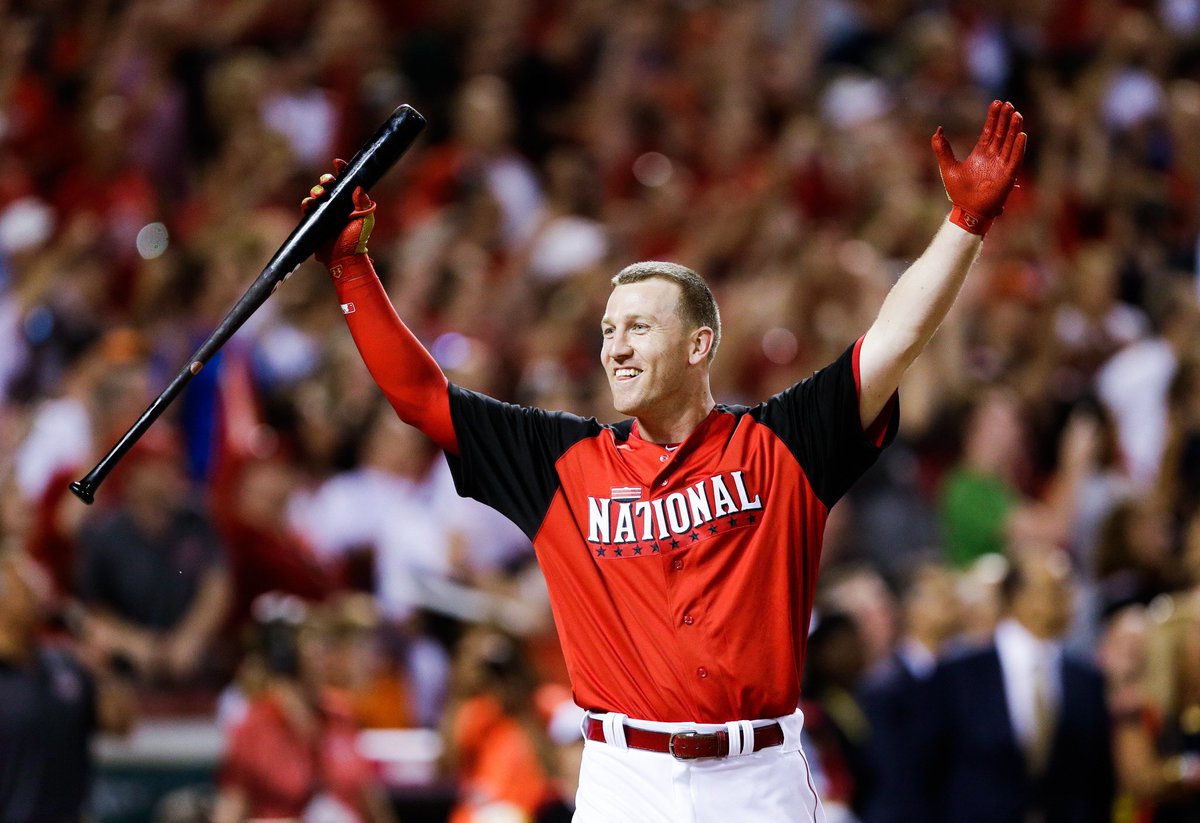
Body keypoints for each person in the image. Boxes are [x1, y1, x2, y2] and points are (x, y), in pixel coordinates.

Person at [303, 100, 1027, 821]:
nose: (613, 346)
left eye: (639, 327)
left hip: (759, 778)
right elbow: (419, 396)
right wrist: (350, 266)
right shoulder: (560, 461)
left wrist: (963, 224)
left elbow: (894, 339)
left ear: (698, 345)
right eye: (608, 329)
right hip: (627, 780)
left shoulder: (782, 443)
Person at [916, 546, 1114, 823]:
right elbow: (928, 770)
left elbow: (1098, 778)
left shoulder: (1086, 677)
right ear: (1017, 597)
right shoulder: (958, 674)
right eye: (1055, 589)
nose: (1069, 599)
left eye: (1069, 589)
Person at [0, 546, 135, 823]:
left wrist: (104, 667)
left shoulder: (65, 665)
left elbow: (121, 724)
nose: (34, 589)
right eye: (22, 583)